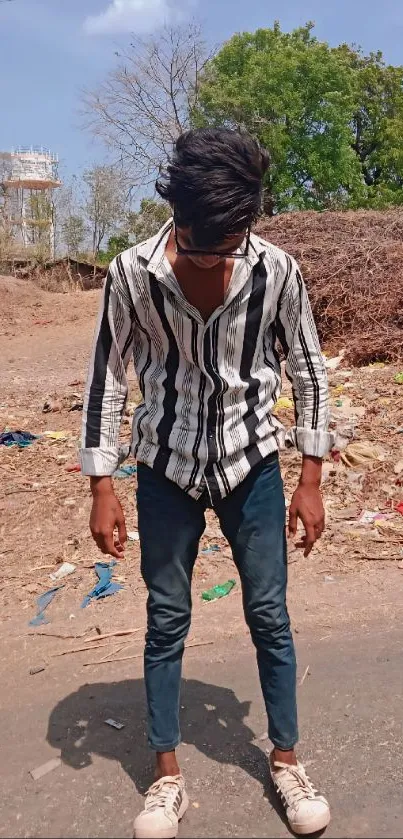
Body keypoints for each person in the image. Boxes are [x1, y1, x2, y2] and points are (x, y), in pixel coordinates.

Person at [80, 128, 332, 839]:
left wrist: (310, 477)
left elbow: (308, 370)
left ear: (246, 224)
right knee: (166, 617)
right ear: (175, 213)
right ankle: (166, 777)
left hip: (251, 462)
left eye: (224, 248)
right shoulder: (130, 273)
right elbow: (107, 377)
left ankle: (284, 758)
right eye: (196, 246)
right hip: (165, 465)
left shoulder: (277, 271)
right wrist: (101, 484)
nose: (210, 262)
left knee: (269, 616)